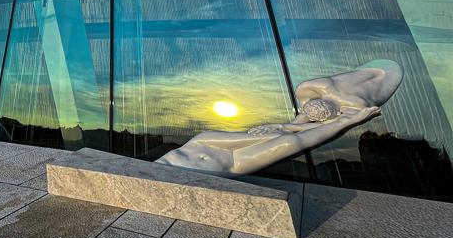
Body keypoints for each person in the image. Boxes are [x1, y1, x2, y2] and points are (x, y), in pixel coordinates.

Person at [156, 60, 403, 176]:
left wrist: (338, 122)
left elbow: (285, 135)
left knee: (287, 140)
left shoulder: (323, 98)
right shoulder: (203, 140)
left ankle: (338, 123)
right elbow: (275, 136)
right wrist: (339, 122)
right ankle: (339, 123)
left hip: (223, 160)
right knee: (287, 140)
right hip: (222, 162)